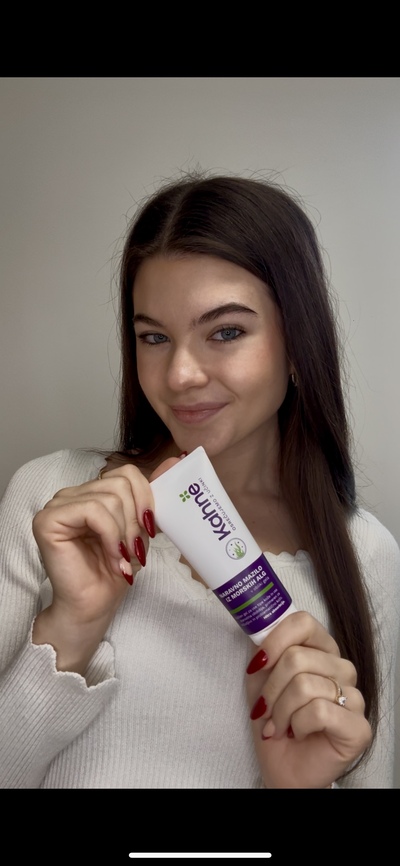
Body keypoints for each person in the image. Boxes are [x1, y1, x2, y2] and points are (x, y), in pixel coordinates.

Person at [0, 171, 399, 790]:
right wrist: (69, 631)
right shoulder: (53, 500)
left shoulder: (366, 556)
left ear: (298, 343)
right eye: (154, 337)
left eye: (226, 332)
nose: (180, 374)